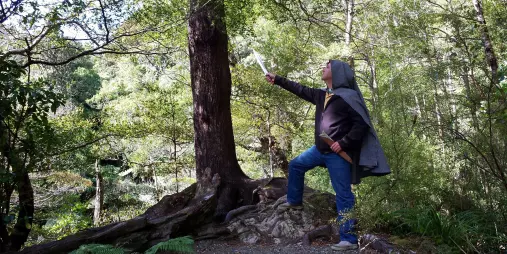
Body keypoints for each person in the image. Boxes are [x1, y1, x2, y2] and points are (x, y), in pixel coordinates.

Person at [265, 60, 390, 251]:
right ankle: (294, 201)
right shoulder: (322, 94)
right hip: (318, 150)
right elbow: (299, 89)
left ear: (338, 73)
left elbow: (361, 126)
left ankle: (348, 239)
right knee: (296, 165)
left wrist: (344, 143)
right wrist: (278, 79)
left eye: (328, 66)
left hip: (338, 154)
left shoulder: (349, 97)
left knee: (343, 195)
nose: (323, 68)